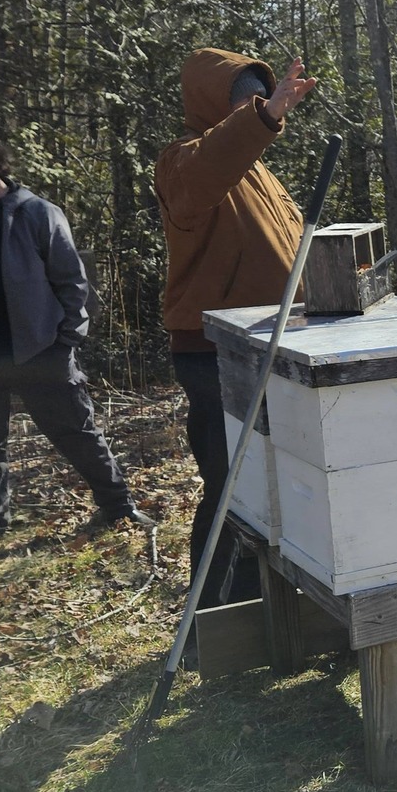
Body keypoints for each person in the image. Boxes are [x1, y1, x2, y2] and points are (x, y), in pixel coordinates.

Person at [0, 125, 144, 544]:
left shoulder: (37, 212)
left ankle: (119, 507)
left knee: (75, 432)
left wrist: (65, 342)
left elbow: (73, 285)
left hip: (39, 350)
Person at [154, 47, 314, 602]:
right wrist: (263, 117)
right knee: (230, 484)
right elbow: (206, 173)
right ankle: (211, 620)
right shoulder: (181, 162)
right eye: (246, 100)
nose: (263, 106)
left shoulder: (259, 171)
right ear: (211, 104)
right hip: (215, 353)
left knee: (278, 479)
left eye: (262, 97)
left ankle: (265, 608)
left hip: (277, 346)